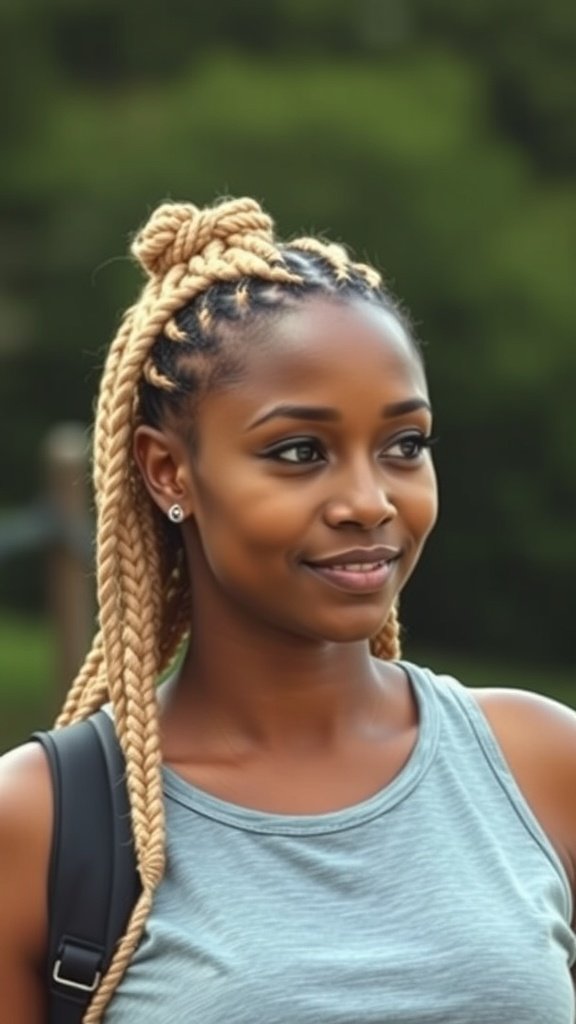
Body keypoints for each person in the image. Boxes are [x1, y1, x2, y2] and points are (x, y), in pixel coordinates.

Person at [0, 195, 575, 1024]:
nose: (369, 500)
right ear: (168, 472)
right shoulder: (44, 827)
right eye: (299, 452)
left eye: (404, 445)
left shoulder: (543, 766)